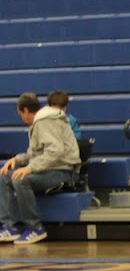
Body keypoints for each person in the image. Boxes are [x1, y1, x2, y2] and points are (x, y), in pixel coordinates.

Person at [0, 92, 79, 245]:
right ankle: (9, 227)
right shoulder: (39, 122)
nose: (22, 119)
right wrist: (16, 159)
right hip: (48, 169)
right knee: (3, 177)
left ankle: (35, 228)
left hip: (62, 171)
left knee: (21, 180)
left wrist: (30, 168)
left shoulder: (45, 121)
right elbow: (34, 153)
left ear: (25, 111)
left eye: (20, 114)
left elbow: (55, 151)